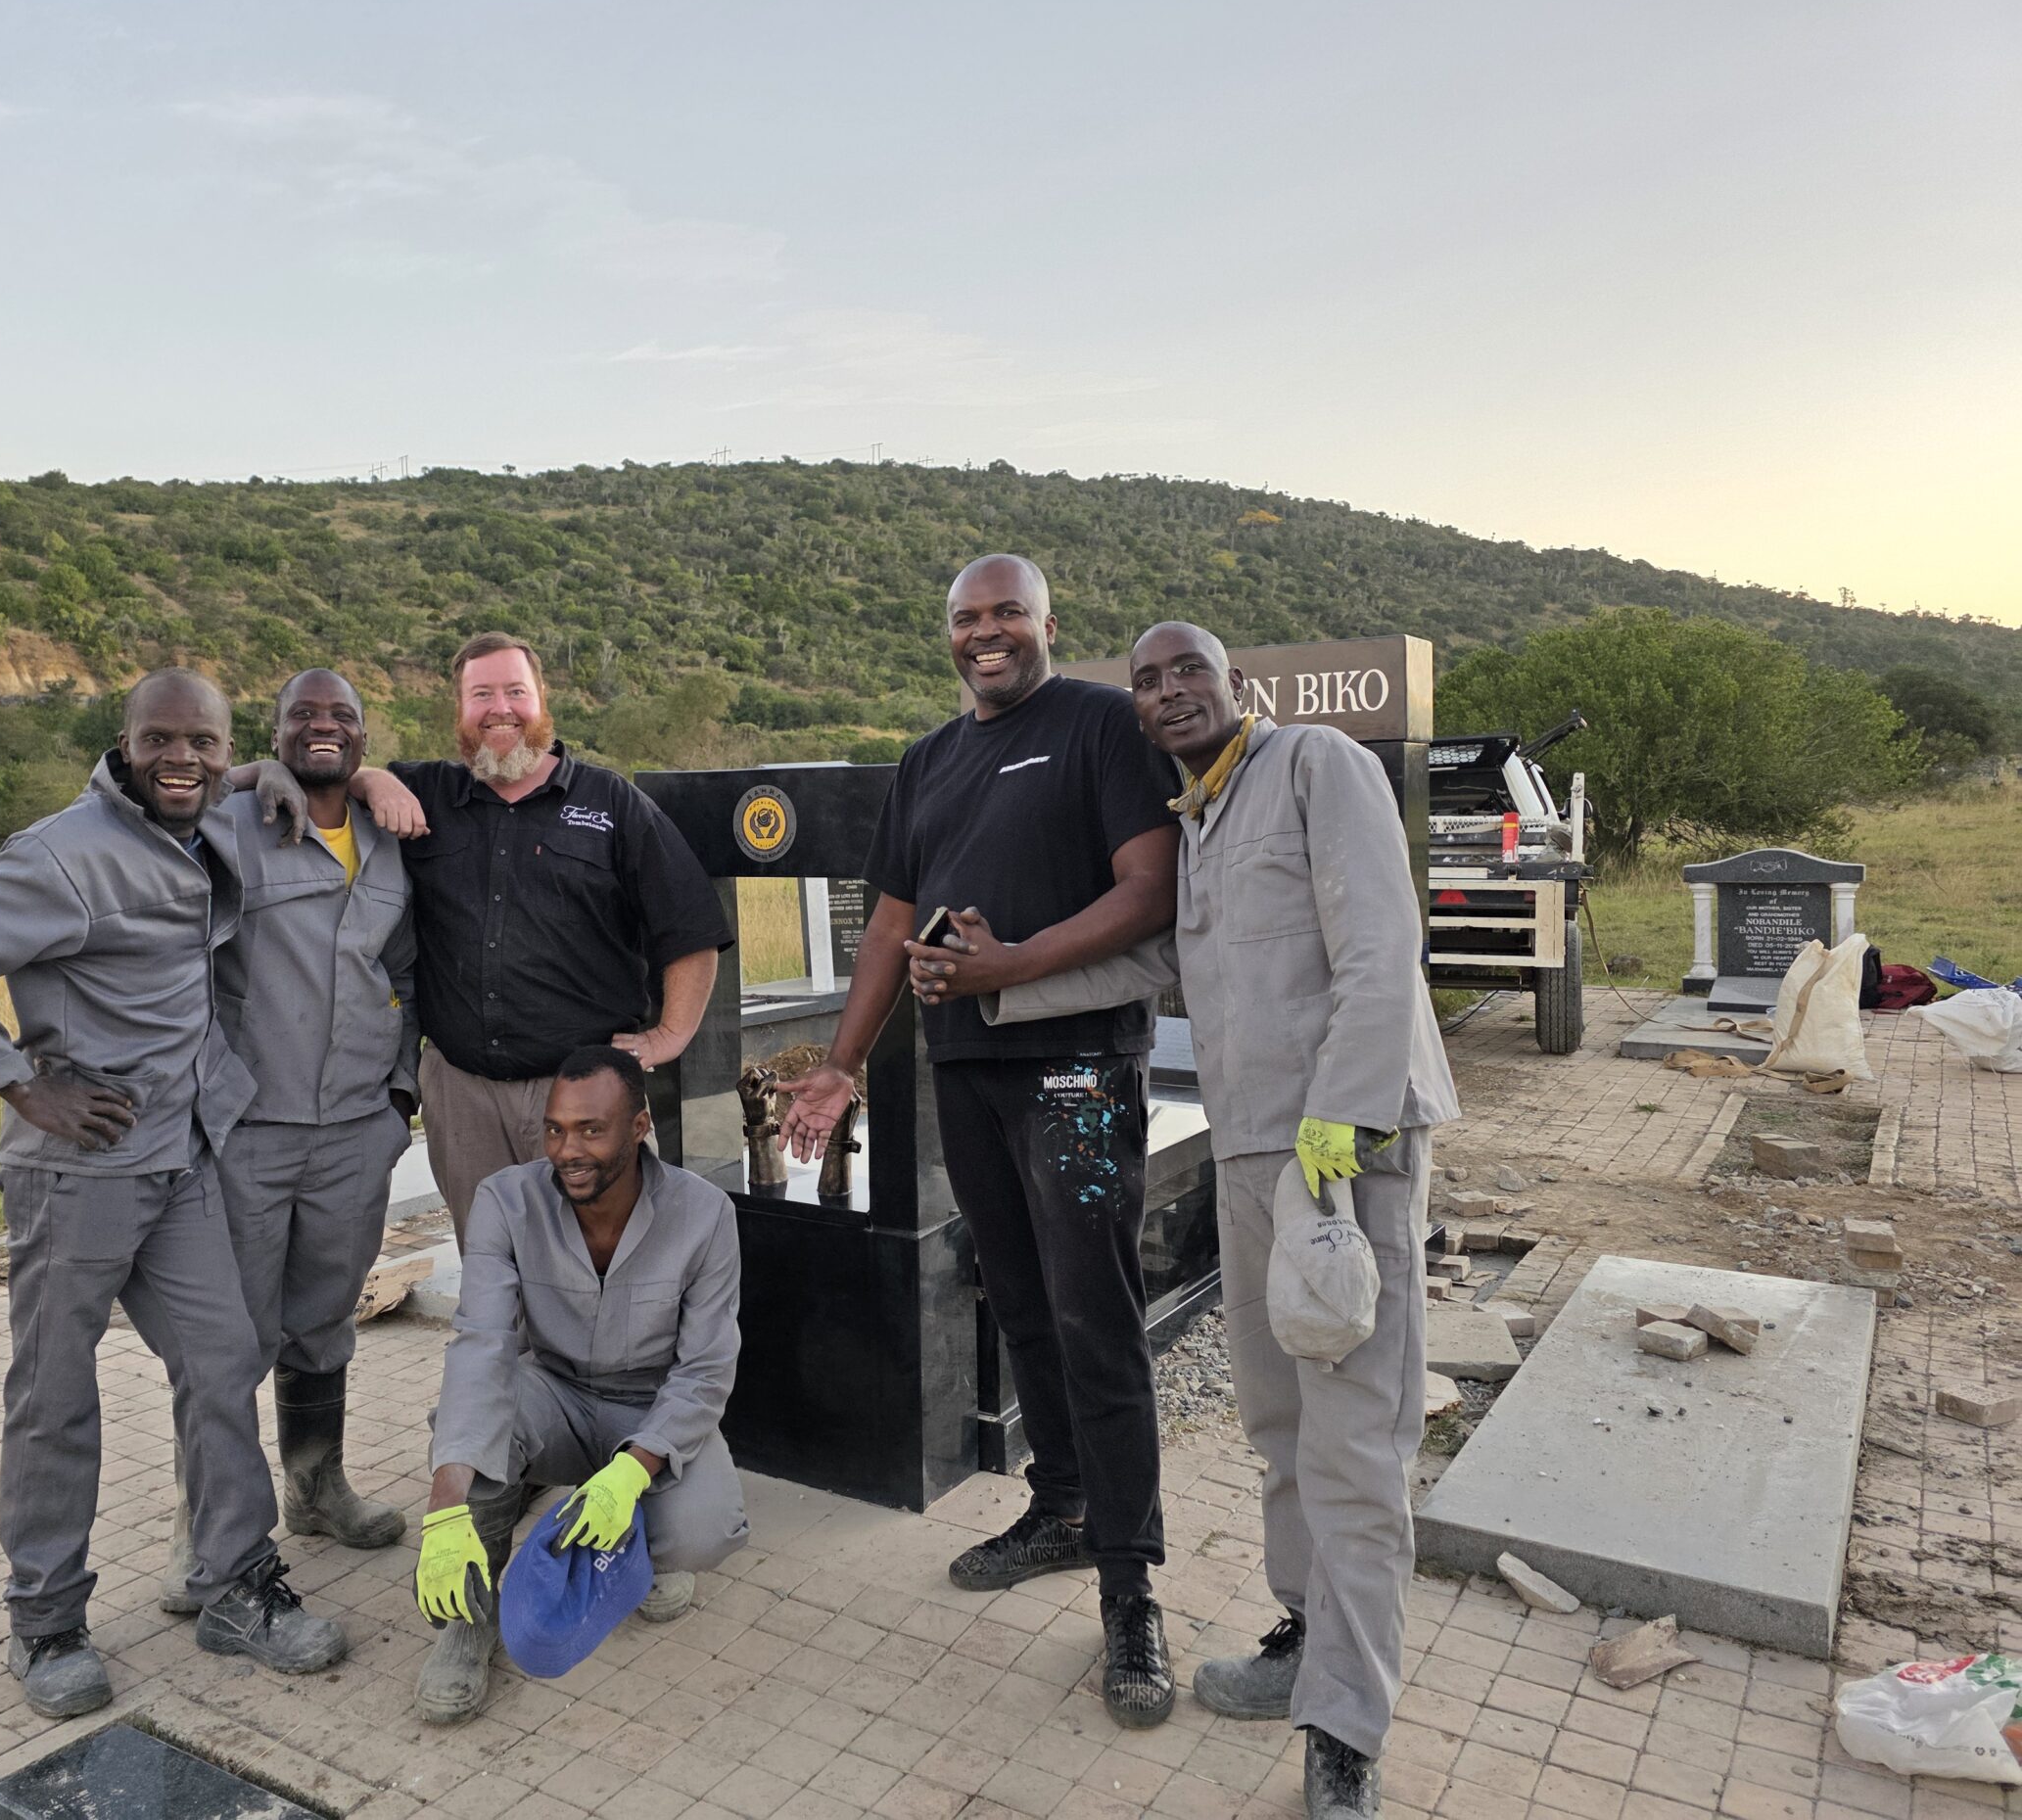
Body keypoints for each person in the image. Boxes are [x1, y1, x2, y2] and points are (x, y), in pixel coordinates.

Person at [989, 621, 1460, 1820]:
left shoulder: (1314, 765)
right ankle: (1304, 1640)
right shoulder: (1197, 824)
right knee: (1280, 1420)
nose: (1167, 691)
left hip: (1344, 1156)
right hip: (1254, 1155)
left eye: (1188, 669)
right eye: (1146, 682)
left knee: (1355, 1444)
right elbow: (1150, 967)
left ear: (1235, 683)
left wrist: (1342, 1123)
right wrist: (1000, 982)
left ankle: (1345, 1729)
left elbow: (1381, 945)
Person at [776, 553, 1185, 1730]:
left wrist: (1011, 966)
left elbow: (1149, 887)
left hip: (1079, 1066)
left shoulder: (1100, 726)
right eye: (967, 617)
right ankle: (1062, 1507)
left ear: (1049, 622)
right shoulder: (928, 760)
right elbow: (890, 925)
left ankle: (1128, 1588)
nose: (986, 632)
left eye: (1008, 612)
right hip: (964, 1070)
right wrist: (842, 1062)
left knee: (1095, 1315)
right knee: (1019, 1303)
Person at [0, 667, 349, 1720]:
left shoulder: (201, 820)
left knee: (223, 1364)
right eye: (160, 741)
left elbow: (240, 780)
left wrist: (271, 773)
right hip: (79, 1175)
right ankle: (46, 1620)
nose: (180, 759)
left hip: (180, 1160)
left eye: (203, 742)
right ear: (124, 744)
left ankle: (235, 1586)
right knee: (55, 1396)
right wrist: (20, 1084)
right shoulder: (64, 854)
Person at [243, 631, 730, 1249]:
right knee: (492, 1269)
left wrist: (670, 1036)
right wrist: (368, 779)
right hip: (462, 1097)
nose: (500, 709)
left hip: (584, 1094)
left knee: (613, 1265)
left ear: (542, 699)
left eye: (515, 692)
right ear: (460, 708)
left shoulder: (612, 804)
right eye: (481, 695)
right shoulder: (423, 794)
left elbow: (689, 927)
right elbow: (326, 772)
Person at [157, 669, 418, 1615]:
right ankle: (208, 1529)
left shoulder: (390, 840)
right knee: (228, 1338)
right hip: (250, 1133)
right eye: (301, 716)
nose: (323, 728)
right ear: (273, 736)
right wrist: (237, 775)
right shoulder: (230, 825)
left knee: (322, 1321)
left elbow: (407, 970)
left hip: (354, 1132)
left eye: (342, 717)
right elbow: (141, 805)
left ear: (363, 738)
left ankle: (315, 1487)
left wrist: (399, 1098)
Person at [411, 1046, 747, 1725]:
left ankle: (631, 1551)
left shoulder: (704, 1213)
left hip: (651, 1409)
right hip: (555, 1393)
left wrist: (633, 1470)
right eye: (556, 1129)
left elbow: (706, 1369)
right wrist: (443, 1508)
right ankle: (473, 1620)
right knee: (469, 1435)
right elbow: (481, 1342)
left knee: (703, 1532)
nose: (568, 1150)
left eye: (592, 1130)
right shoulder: (506, 1200)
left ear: (639, 1127)